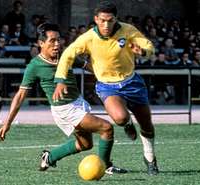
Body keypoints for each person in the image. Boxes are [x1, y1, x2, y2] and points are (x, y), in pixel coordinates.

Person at [0, 23, 126, 175]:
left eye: (59, 40)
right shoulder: (34, 66)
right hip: (64, 109)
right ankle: (106, 165)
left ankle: (49, 157)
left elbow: (87, 65)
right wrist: (7, 123)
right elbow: (19, 97)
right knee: (106, 128)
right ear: (41, 43)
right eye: (52, 41)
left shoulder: (66, 54)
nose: (57, 44)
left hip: (78, 102)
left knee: (85, 144)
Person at [53, 1, 159, 175]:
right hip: (108, 86)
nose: (106, 24)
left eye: (110, 20)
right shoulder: (88, 38)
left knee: (147, 125)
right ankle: (126, 123)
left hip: (132, 83)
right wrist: (60, 80)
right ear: (96, 19)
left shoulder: (127, 30)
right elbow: (67, 55)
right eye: (102, 20)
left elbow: (148, 46)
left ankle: (150, 159)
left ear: (116, 19)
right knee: (119, 117)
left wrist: (143, 51)